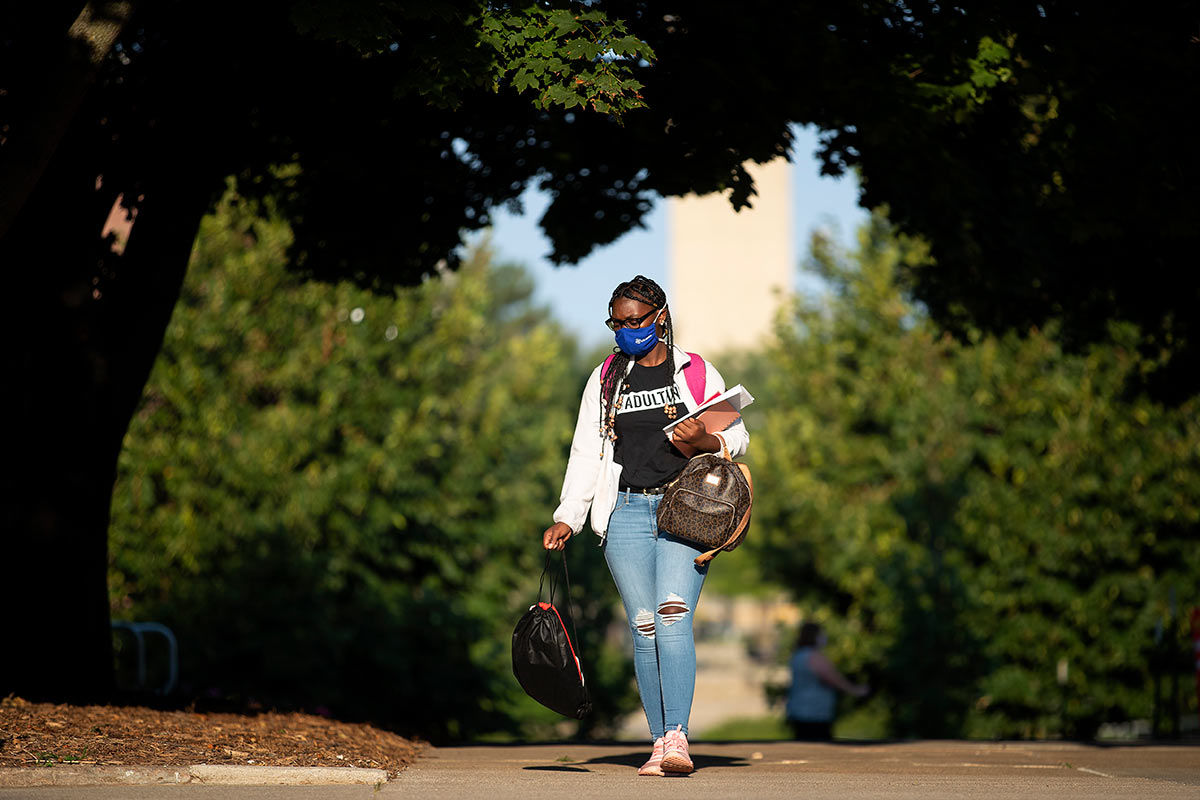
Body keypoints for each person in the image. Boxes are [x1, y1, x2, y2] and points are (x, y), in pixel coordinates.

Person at [542, 275, 749, 777]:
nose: (628, 329)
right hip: (625, 513)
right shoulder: (607, 377)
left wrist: (702, 438)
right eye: (619, 322)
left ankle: (677, 737)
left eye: (637, 320)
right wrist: (568, 516)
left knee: (673, 615)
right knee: (644, 626)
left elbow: (737, 438)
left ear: (659, 317)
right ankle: (658, 742)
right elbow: (586, 452)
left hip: (685, 511)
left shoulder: (694, 371)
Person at [785, 622, 870, 740]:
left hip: (799, 710)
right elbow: (832, 678)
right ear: (814, 636)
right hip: (814, 712)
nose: (823, 637)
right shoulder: (814, 656)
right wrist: (855, 690)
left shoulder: (798, 655)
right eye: (821, 634)